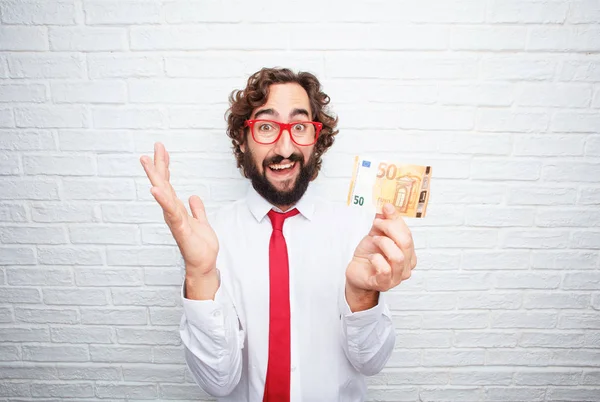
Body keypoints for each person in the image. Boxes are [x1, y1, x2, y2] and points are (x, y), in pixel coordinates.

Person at [140, 68, 417, 402]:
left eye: (299, 127)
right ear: (243, 139)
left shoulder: (359, 233)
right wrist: (200, 275)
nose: (285, 147)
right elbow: (217, 384)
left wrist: (361, 296)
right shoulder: (207, 238)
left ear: (317, 139)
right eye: (266, 126)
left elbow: (371, 362)